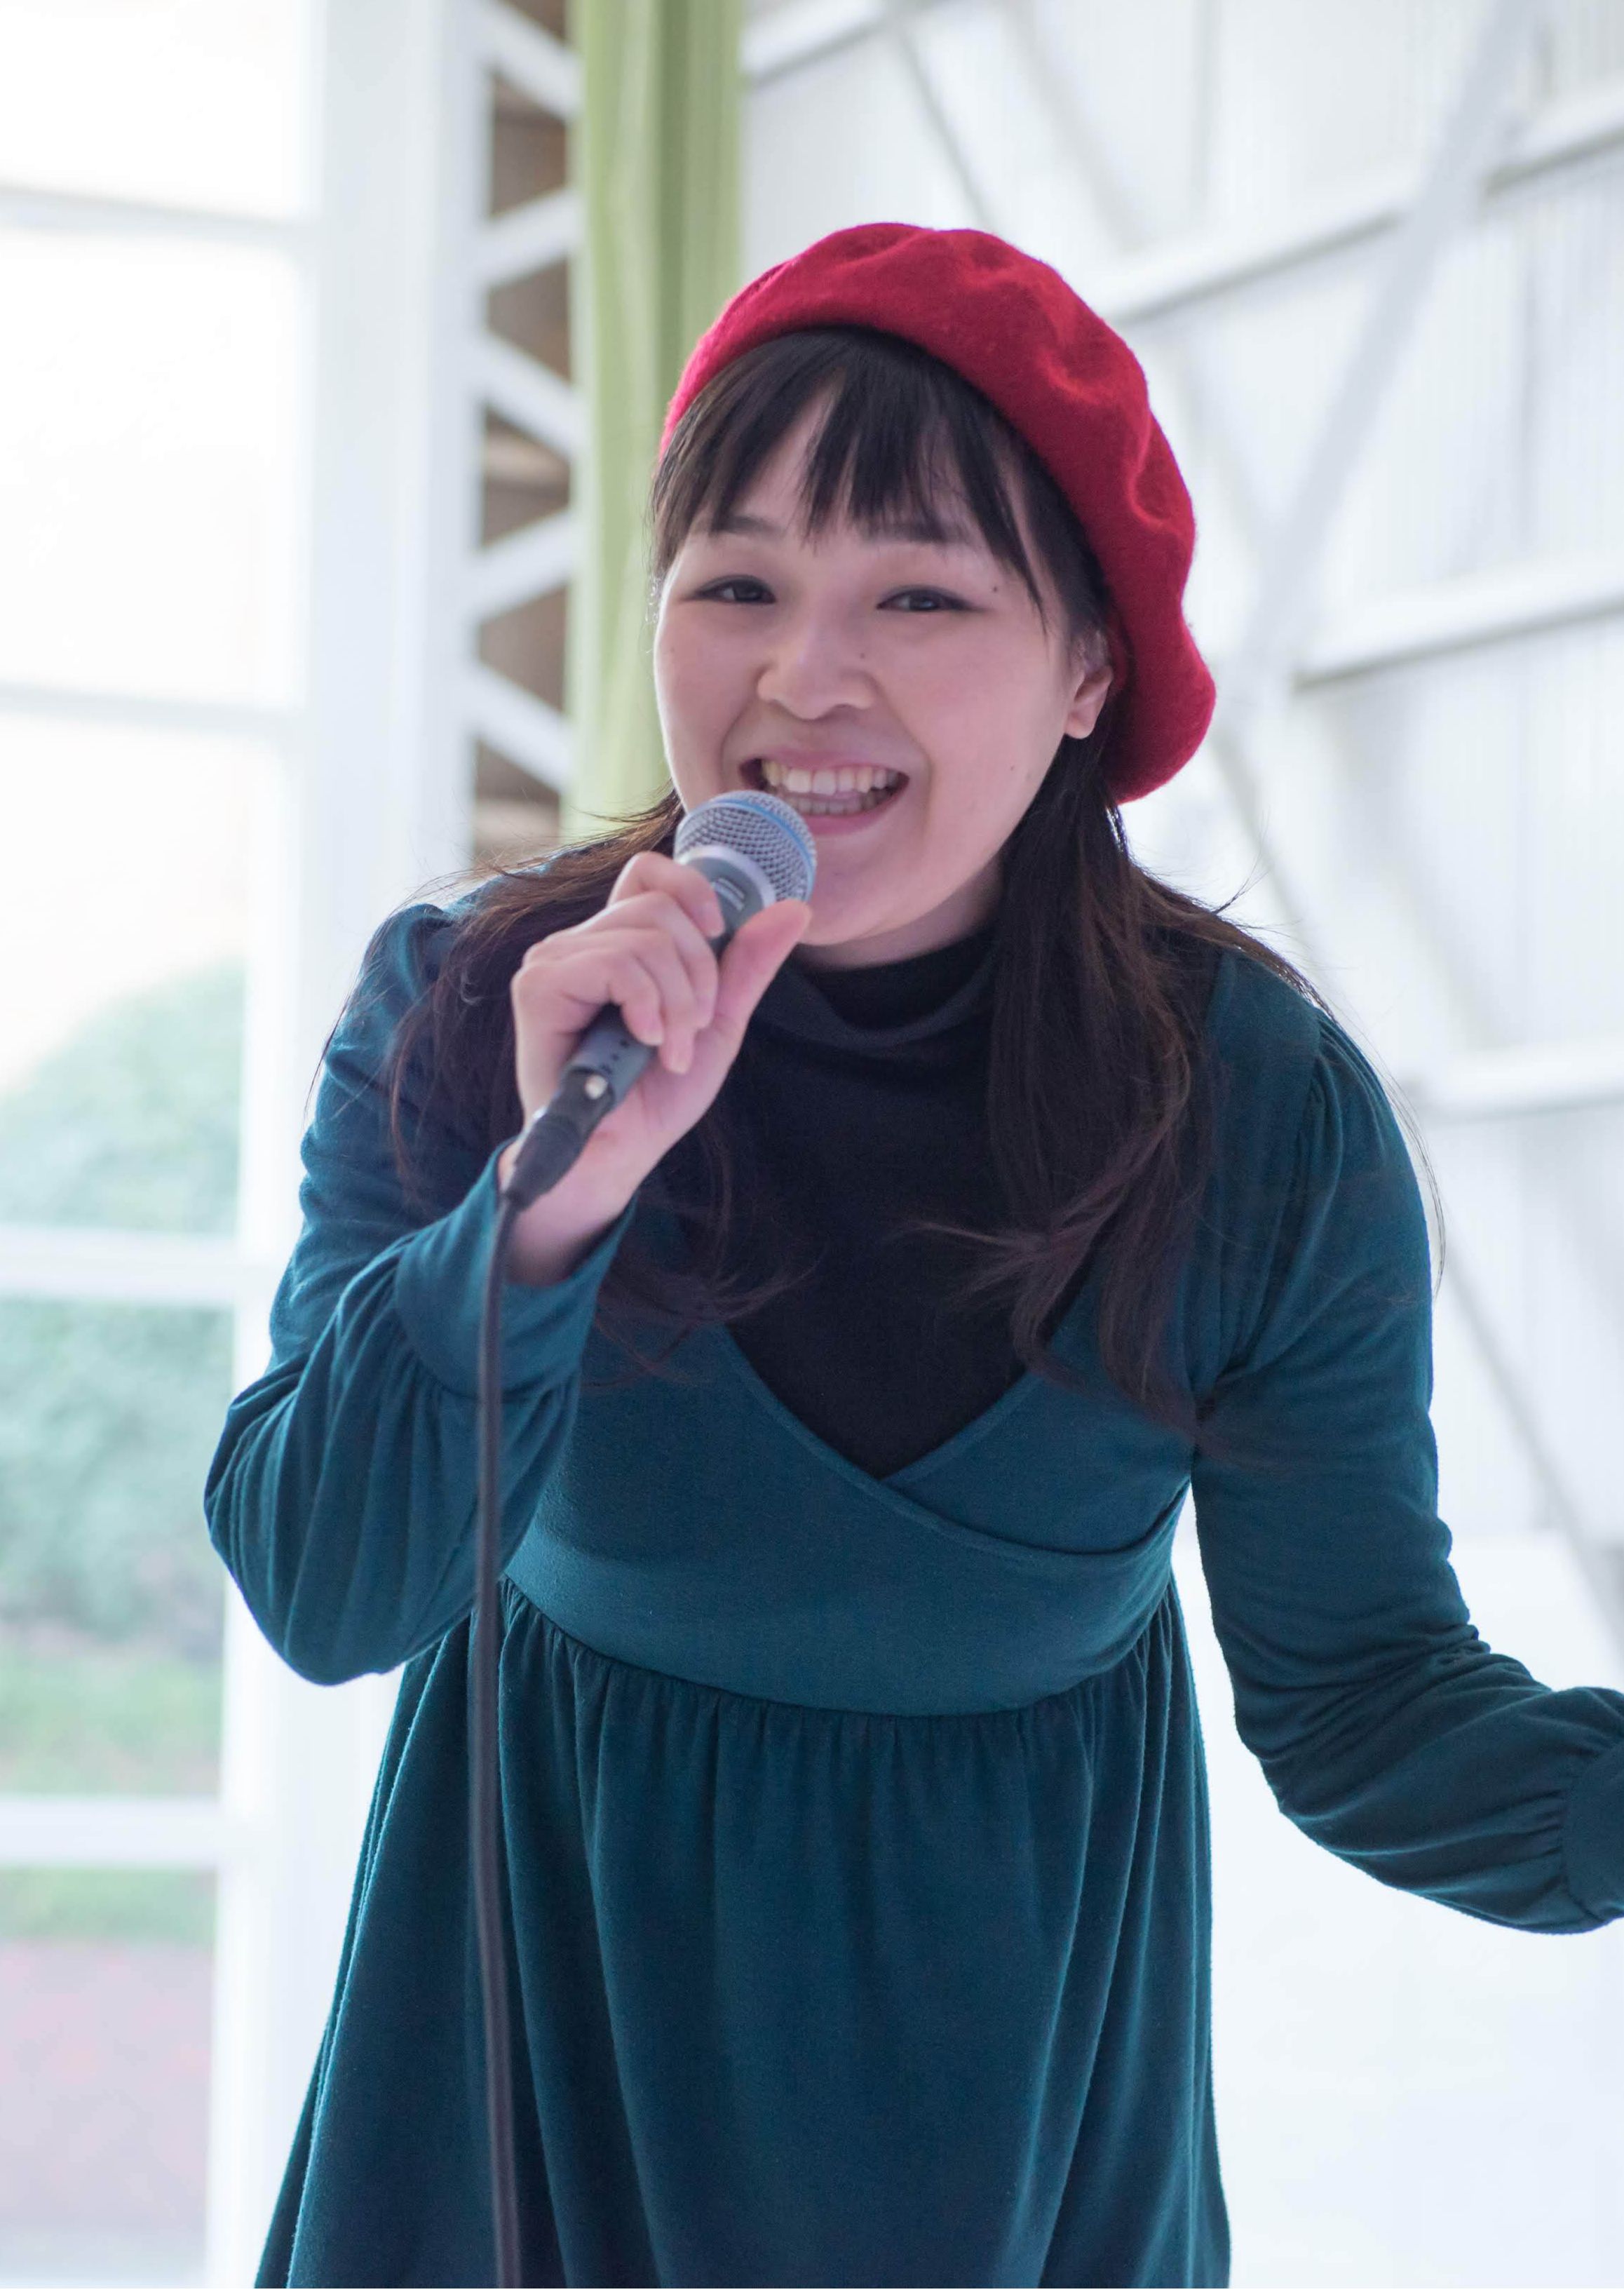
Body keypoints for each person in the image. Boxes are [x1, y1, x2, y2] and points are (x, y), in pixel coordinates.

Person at [205, 222, 1624, 2290]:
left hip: (1009, 2141)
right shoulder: (480, 1007)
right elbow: (323, 1585)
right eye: (738, 585)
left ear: (1087, 672)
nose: (805, 676)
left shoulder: (1248, 1112)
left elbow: (1369, 1712)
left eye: (919, 594)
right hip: (523, 2104)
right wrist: (547, 1204)